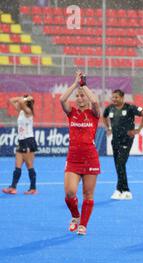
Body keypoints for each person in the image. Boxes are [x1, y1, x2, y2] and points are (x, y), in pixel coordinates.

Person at [60, 71, 101, 236]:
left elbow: (96, 101)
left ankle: (83, 224)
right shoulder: (72, 113)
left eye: (82, 96)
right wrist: (76, 85)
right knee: (70, 193)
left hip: (90, 158)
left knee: (88, 194)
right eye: (78, 96)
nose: (80, 98)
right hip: (73, 158)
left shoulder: (94, 114)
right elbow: (62, 99)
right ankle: (75, 216)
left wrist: (84, 86)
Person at [102, 89, 143, 200]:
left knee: (120, 163)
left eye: (116, 97)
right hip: (115, 140)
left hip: (126, 140)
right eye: (112, 97)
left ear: (122, 98)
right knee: (118, 164)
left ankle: (125, 190)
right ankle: (120, 190)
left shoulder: (130, 108)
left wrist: (138, 130)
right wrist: (107, 128)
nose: (114, 99)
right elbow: (104, 117)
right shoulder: (110, 108)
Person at [2, 95, 38, 195]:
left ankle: (33, 188)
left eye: (25, 99)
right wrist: (24, 97)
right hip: (21, 141)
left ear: (27, 103)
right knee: (17, 166)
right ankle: (13, 187)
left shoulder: (28, 111)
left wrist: (25, 99)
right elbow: (10, 100)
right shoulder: (21, 111)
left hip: (28, 141)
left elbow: (21, 102)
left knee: (29, 166)